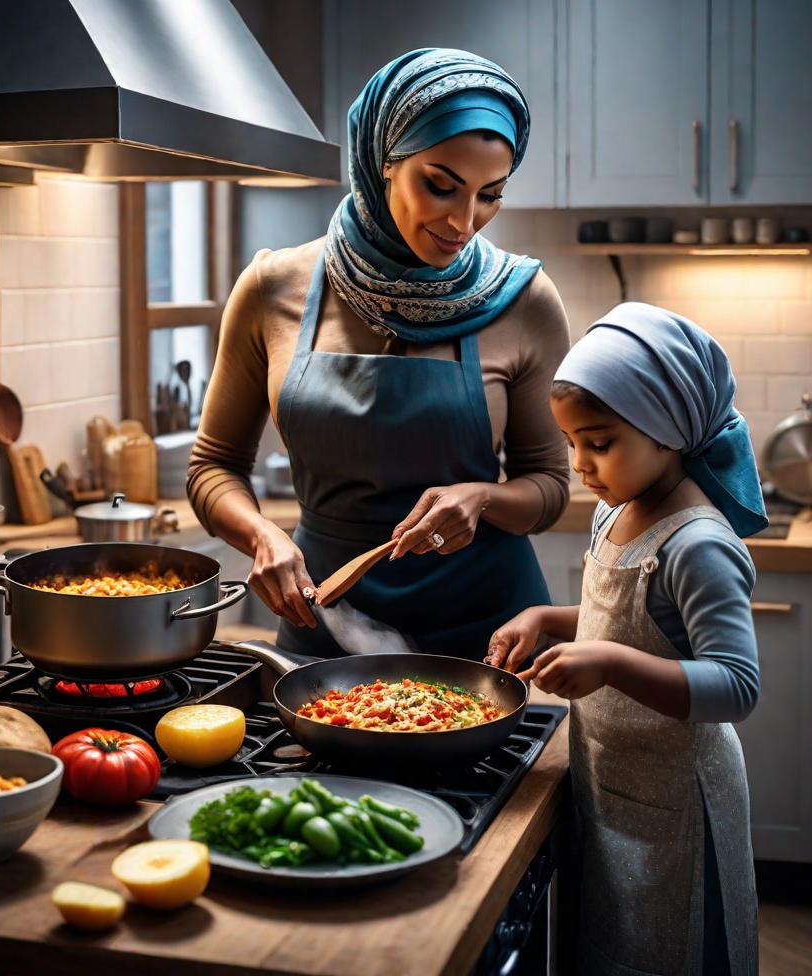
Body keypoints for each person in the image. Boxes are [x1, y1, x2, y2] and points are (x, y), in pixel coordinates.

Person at [188, 48, 570, 659]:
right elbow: (211, 466)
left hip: (489, 637)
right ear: (382, 161)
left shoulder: (523, 300)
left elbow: (549, 485)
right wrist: (262, 536)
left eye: (490, 195)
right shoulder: (271, 287)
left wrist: (484, 497)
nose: (465, 221)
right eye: (440, 186)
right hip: (325, 620)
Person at [487, 302, 766, 975]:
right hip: (612, 781)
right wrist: (547, 619)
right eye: (572, 441)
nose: (580, 463)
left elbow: (736, 685)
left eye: (600, 442)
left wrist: (607, 662)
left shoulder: (698, 543)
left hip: (679, 803)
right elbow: (628, 622)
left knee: (673, 952)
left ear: (668, 430)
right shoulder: (615, 510)